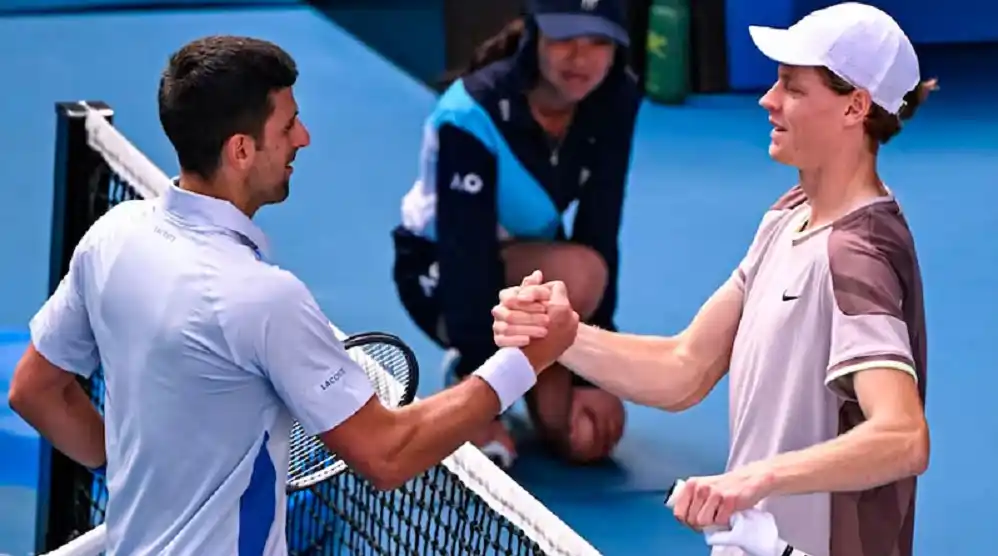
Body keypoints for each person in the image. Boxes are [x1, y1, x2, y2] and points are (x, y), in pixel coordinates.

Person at [7, 36, 578, 556]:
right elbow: (388, 453)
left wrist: (139, 477)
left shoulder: (114, 234)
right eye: (287, 127)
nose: (303, 139)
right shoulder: (263, 299)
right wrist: (524, 362)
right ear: (240, 151)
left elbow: (35, 390)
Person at [491, 3, 935, 555]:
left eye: (793, 89)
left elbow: (902, 436)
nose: (768, 100)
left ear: (855, 107)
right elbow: (684, 367)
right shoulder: (791, 215)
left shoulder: (856, 253)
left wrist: (758, 478)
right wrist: (563, 336)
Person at [390, 0, 642, 467]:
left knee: (584, 436)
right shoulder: (471, 114)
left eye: (598, 42)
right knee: (580, 273)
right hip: (441, 273)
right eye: (564, 38)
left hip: (526, 274)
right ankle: (466, 371)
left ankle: (518, 362)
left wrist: (592, 365)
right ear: (534, 34)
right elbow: (465, 251)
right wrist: (479, 386)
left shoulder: (615, 98)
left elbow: (600, 226)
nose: (580, 58)